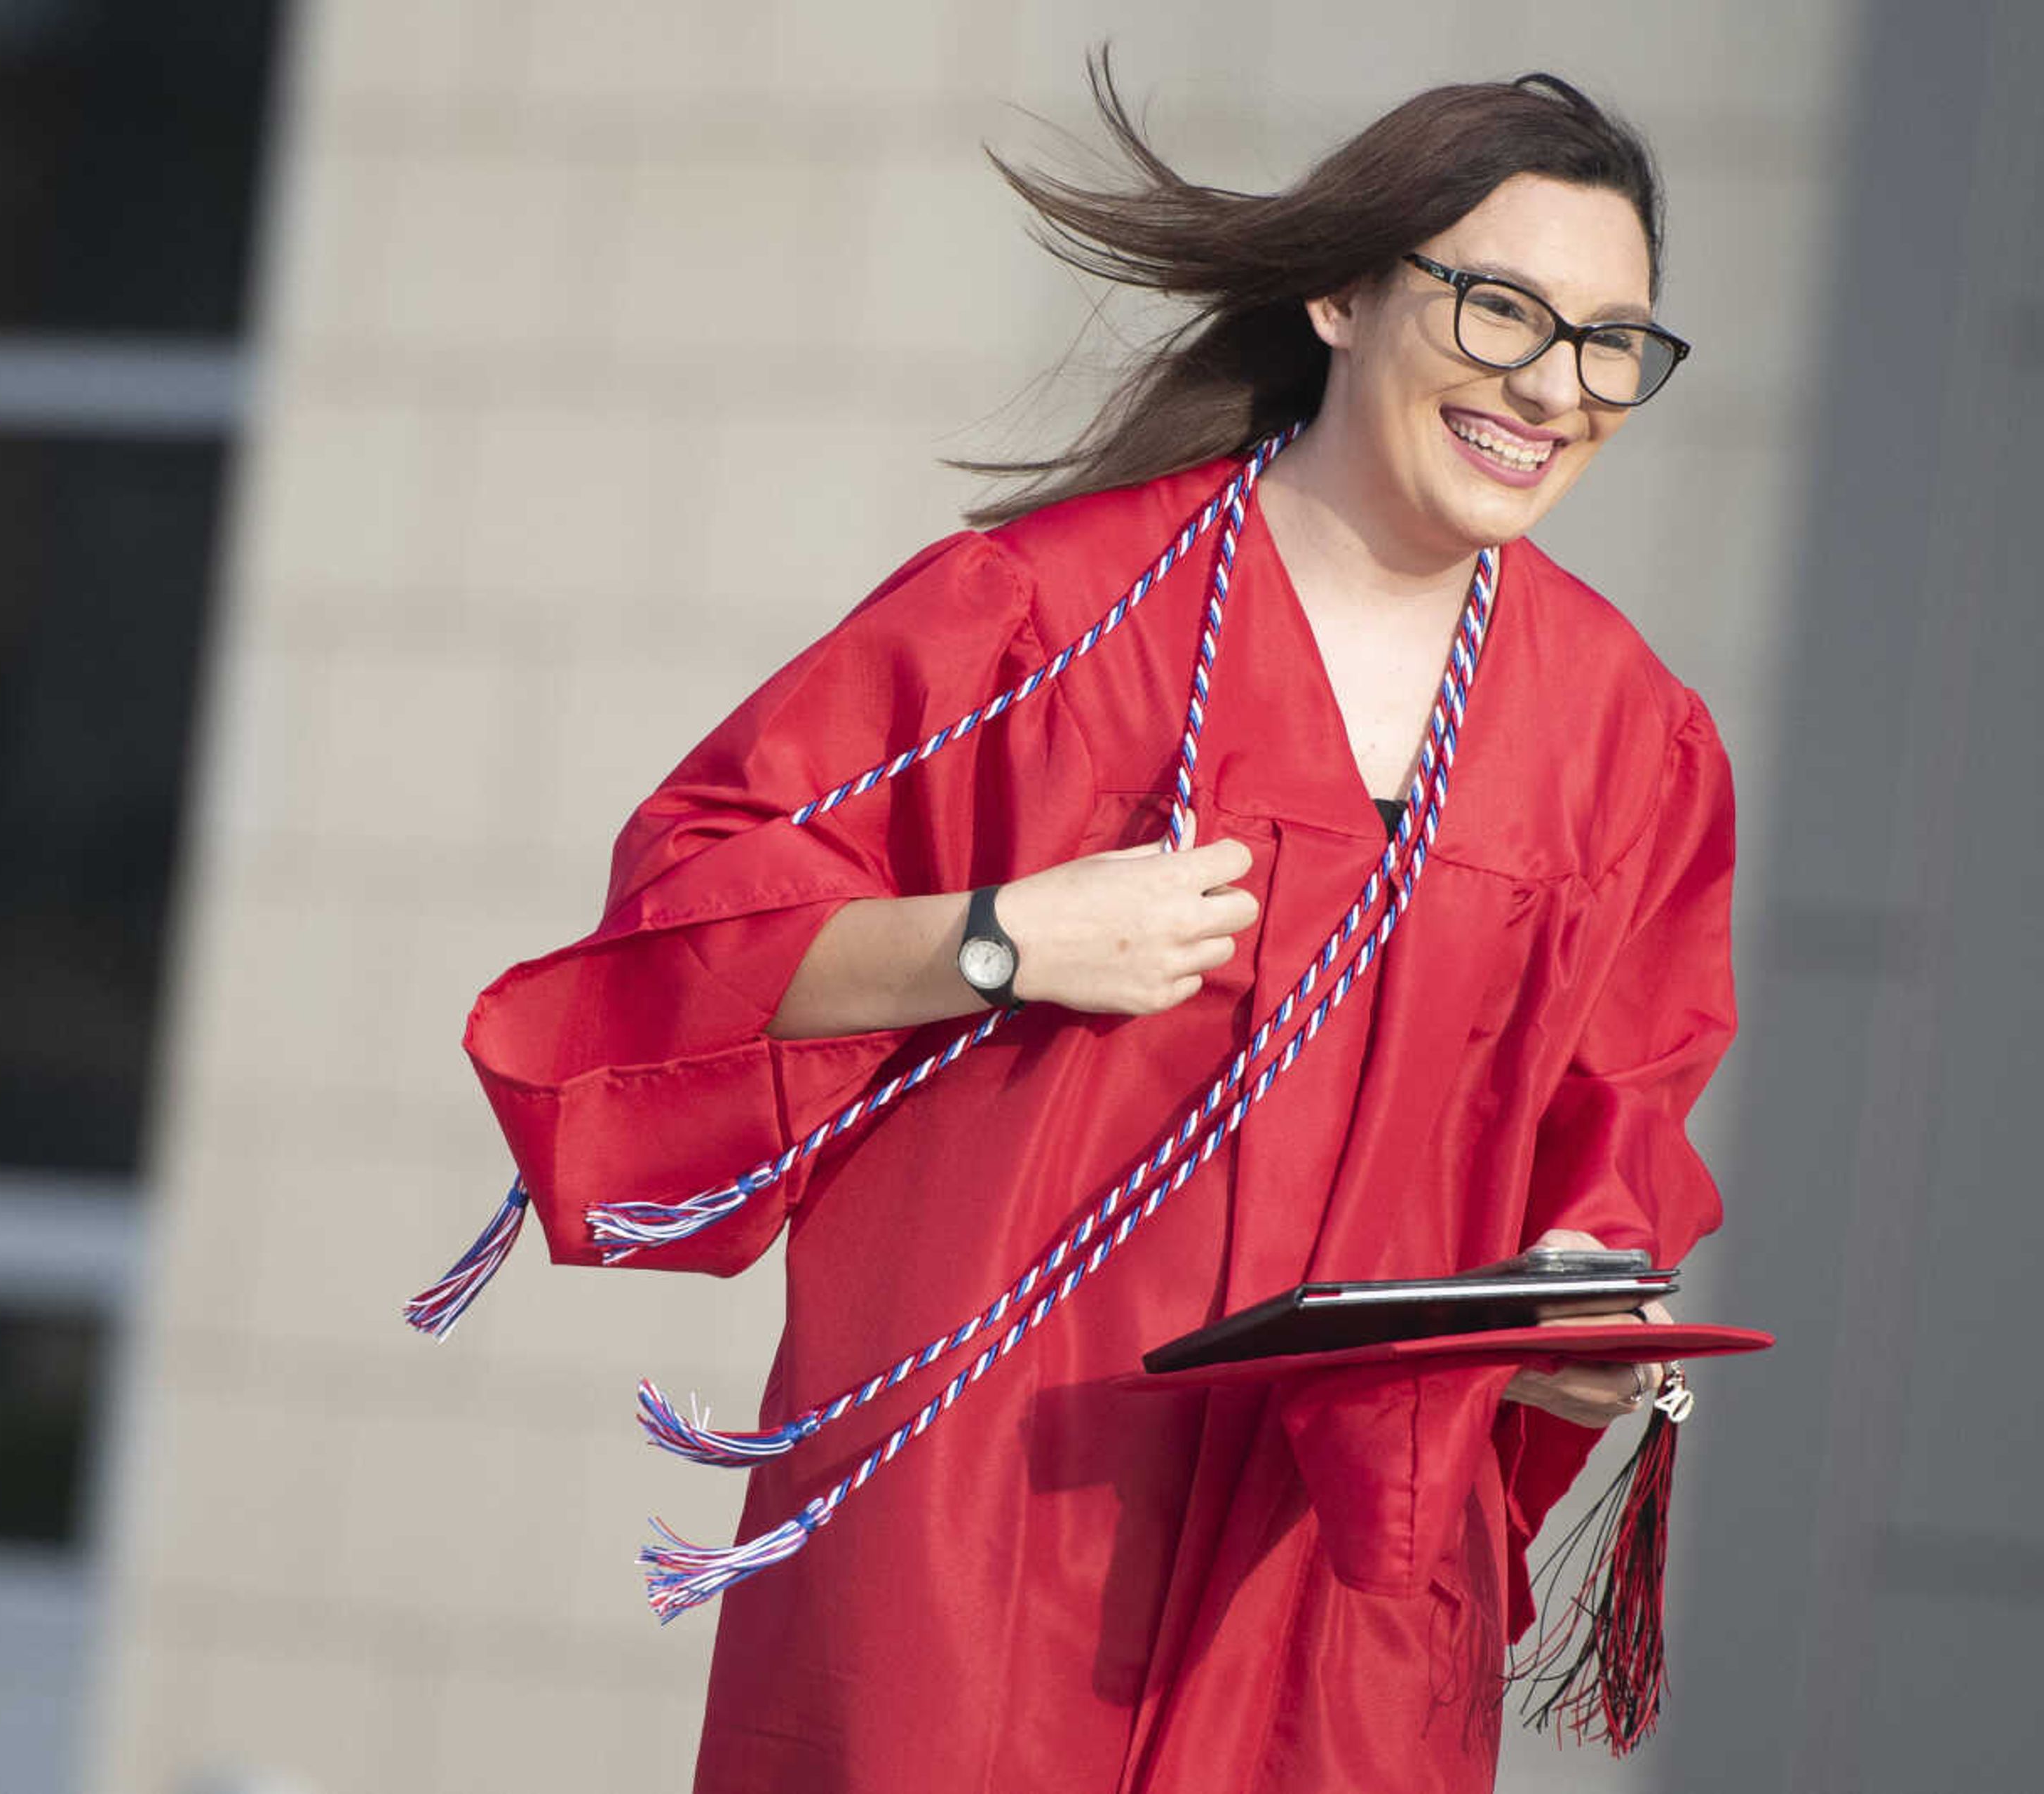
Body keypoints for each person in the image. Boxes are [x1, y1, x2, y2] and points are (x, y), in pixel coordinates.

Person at [459, 65, 1735, 1793]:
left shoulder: (1627, 742)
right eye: (1501, 307)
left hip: (1335, 1575)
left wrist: (1581, 1324)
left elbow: (1620, 1123)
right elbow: (689, 907)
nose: (1553, 386)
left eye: (1610, 344)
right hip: (986, 1528)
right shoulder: (1048, 623)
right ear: (1344, 292)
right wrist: (998, 938)